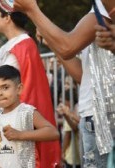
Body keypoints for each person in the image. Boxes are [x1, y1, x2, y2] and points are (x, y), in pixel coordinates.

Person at [13, 0, 112, 167]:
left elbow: (68, 47)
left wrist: (31, 9)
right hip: (93, 118)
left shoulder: (104, 8)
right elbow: (83, 76)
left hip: (101, 119)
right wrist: (52, 41)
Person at [0, 3, 61, 167]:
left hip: (23, 118)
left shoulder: (23, 44)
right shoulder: (10, 45)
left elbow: (0, 80)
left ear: (8, 17)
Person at [0, 65, 59, 167]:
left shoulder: (26, 112)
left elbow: (53, 132)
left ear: (19, 89)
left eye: (5, 87)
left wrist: (20, 135)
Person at [56, 89, 80, 168]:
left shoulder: (71, 112)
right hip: (77, 155)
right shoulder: (75, 110)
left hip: (71, 155)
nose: (60, 101)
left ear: (69, 101)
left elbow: (68, 135)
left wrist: (62, 152)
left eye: (62, 99)